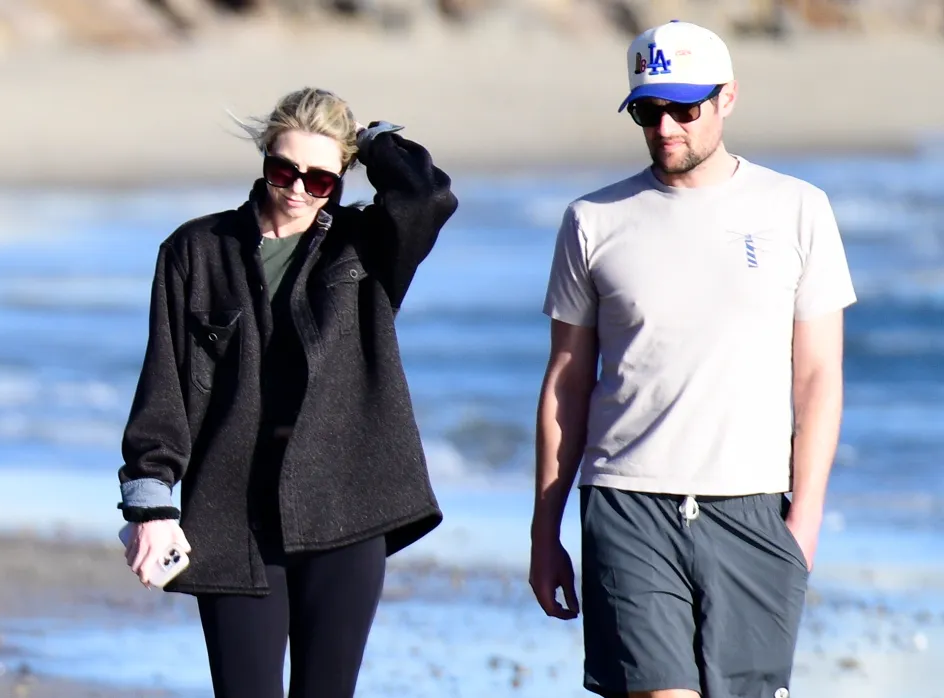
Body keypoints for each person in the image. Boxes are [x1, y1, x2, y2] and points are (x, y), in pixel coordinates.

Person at [529, 19, 857, 698]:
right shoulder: (592, 220)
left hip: (755, 510)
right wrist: (544, 531)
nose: (666, 126)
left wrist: (805, 523)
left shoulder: (798, 210)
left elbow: (819, 379)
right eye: (649, 111)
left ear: (727, 99)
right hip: (626, 503)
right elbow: (566, 381)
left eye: (684, 107)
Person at [116, 87, 458, 698]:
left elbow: (428, 196)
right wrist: (150, 506)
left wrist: (375, 140)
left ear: (342, 179)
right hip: (231, 513)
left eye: (321, 179)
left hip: (347, 510)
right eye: (284, 170)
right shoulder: (195, 251)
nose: (298, 189)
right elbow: (166, 385)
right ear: (264, 159)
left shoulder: (367, 245)